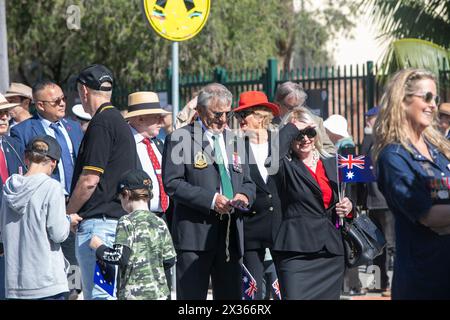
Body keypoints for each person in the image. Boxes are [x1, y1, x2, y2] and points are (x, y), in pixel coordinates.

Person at [162, 83, 256, 300]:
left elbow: (249, 182)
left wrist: (244, 195)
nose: (223, 119)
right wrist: (212, 200)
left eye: (227, 113)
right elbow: (172, 183)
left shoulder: (237, 140)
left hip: (230, 237)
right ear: (200, 110)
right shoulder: (181, 138)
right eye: (217, 113)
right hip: (195, 237)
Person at [373, 68, 450, 300]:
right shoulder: (394, 157)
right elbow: (427, 214)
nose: (433, 105)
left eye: (435, 98)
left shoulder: (440, 152)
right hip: (424, 280)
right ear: (403, 101)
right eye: (426, 97)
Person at [66, 64, 138, 300]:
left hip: (100, 228)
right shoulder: (119, 122)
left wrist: (66, 212)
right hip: (114, 224)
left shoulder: (102, 123)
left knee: (100, 296)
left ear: (84, 91)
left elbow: (89, 180)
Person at [9, 80, 84, 298]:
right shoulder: (23, 131)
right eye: (56, 101)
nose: (62, 104)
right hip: (42, 209)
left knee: (73, 267)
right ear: (40, 105)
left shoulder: (73, 128)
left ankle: (73, 293)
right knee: (51, 262)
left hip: (74, 206)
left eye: (64, 99)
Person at [271, 107, 353, 300]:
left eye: (310, 132)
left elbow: (346, 203)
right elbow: (272, 155)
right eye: (299, 135)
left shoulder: (333, 163)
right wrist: (292, 126)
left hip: (330, 254)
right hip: (296, 252)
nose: (306, 139)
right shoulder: (284, 165)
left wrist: (348, 208)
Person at [0, 135, 81, 300]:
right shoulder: (52, 187)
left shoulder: (8, 188)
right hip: (47, 282)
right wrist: (68, 221)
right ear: (54, 163)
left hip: (15, 283)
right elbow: (58, 234)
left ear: (26, 158)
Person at [89, 169, 176, 300]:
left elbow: (120, 257)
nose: (121, 203)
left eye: (120, 199)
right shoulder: (160, 222)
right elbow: (170, 260)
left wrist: (99, 247)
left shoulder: (126, 221)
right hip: (160, 294)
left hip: (134, 294)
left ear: (127, 194)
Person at [232, 90, 281, 300]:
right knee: (252, 294)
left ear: (261, 116)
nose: (241, 119)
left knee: (282, 290)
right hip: (250, 229)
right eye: (239, 115)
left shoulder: (281, 144)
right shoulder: (234, 147)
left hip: (280, 228)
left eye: (246, 114)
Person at [323, 113, 364, 297]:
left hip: (346, 204)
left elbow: (353, 180)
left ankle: (351, 284)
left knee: (349, 244)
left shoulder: (346, 147)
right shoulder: (341, 146)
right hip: (345, 202)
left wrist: (353, 203)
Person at [360, 106, 395, 297]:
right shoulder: (370, 139)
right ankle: (379, 283)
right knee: (377, 245)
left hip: (386, 201)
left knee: (391, 245)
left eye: (371, 118)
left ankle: (393, 283)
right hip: (372, 201)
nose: (368, 121)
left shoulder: (386, 140)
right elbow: (363, 162)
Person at [0, 93, 27, 300]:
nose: (4, 118)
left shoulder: (13, 145)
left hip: (13, 230)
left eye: (6, 113)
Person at [273, 81, 335, 154]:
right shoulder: (269, 127)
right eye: (291, 108)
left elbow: (330, 150)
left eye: (300, 106)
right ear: (278, 105)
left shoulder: (316, 121)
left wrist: (309, 155)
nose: (296, 110)